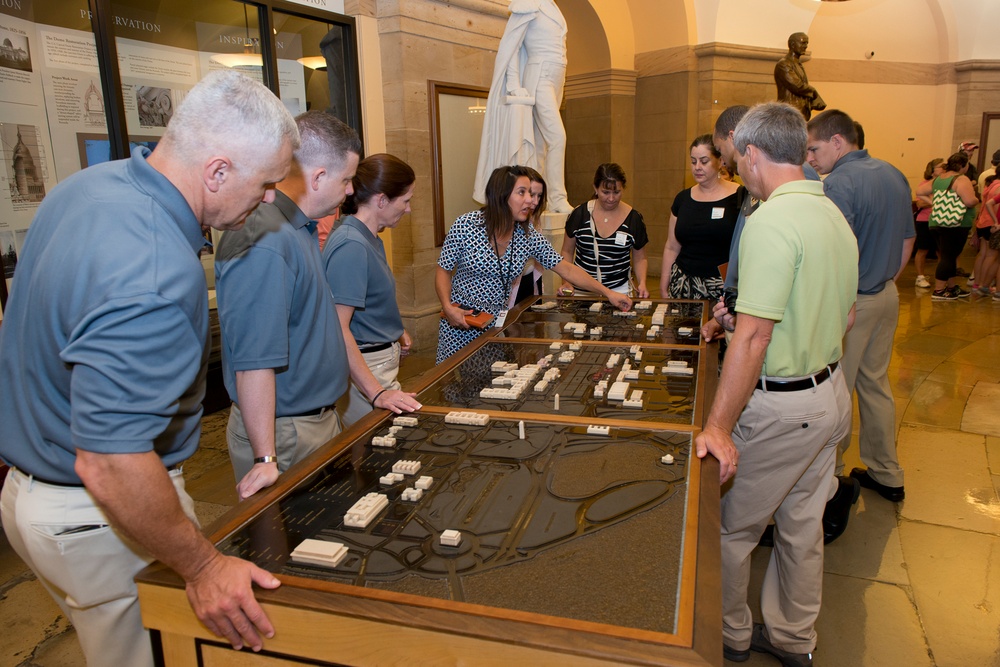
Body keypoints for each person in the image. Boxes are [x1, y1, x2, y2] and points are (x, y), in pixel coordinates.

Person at [0, 70, 297, 666]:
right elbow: (110, 462)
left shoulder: (87, 188)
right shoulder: (159, 271)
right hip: (96, 514)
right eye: (265, 183)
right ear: (217, 171)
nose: (269, 199)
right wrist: (203, 565)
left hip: (29, 494)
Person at [695, 102, 858, 667]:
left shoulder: (769, 221)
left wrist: (717, 425)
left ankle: (731, 636)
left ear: (756, 155)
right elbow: (843, 314)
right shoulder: (831, 212)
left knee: (729, 532)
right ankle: (793, 639)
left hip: (785, 407)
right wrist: (751, 322)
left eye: (740, 162)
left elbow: (755, 339)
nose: (741, 172)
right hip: (832, 394)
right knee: (800, 528)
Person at [214, 110, 358, 501]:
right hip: (285, 433)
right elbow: (255, 359)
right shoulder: (265, 236)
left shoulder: (300, 228)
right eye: (346, 179)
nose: (349, 191)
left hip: (312, 421)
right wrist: (265, 456)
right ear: (318, 177)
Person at [806, 109, 915, 503]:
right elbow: (907, 240)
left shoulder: (838, 184)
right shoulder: (892, 173)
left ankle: (830, 479)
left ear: (838, 141)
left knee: (838, 389)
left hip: (853, 304)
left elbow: (836, 254)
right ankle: (887, 472)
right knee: (876, 384)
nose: (811, 159)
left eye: (814, 149)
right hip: (887, 295)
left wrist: (850, 298)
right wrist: (883, 280)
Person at [437, 165, 632, 363]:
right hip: (459, 323)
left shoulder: (527, 235)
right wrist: (447, 306)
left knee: (487, 385)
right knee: (452, 388)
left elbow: (565, 268)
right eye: (522, 193)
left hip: (495, 327)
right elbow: (443, 270)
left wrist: (608, 293)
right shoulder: (466, 225)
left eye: (530, 193)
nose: (531, 201)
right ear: (501, 195)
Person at [324, 153, 423, 428]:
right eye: (405, 200)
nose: (408, 209)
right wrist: (376, 392)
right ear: (381, 200)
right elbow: (338, 326)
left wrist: (393, 330)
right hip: (367, 371)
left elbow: (368, 299)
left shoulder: (369, 237)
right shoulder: (351, 245)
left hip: (378, 362)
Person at [473, 0, 571, 213]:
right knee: (557, 138)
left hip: (556, 78)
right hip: (539, 76)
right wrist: (514, 84)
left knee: (540, 146)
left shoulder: (553, 7)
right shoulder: (527, 3)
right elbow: (512, 47)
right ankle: (557, 198)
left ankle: (536, 198)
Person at [660, 135, 740, 301]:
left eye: (704, 161)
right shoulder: (682, 199)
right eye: (693, 161)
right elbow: (672, 246)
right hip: (682, 283)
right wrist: (664, 283)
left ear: (720, 161)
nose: (697, 167)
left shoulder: (739, 196)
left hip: (721, 287)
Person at [559, 163, 650, 298]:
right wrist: (566, 281)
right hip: (582, 291)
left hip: (619, 291)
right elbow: (567, 251)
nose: (611, 198)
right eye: (605, 192)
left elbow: (640, 258)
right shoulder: (579, 215)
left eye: (616, 192)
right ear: (595, 188)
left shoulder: (633, 219)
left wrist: (642, 282)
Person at [915, 151, 979, 300]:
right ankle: (939, 290)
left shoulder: (939, 179)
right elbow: (969, 201)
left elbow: (920, 192)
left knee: (947, 255)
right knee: (948, 257)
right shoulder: (961, 179)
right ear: (963, 166)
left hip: (937, 222)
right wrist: (976, 199)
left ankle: (951, 287)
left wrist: (935, 203)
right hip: (955, 224)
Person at [774, 32, 826, 120]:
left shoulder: (797, 64)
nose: (806, 46)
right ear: (792, 44)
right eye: (803, 43)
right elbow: (797, 86)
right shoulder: (784, 64)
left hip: (800, 112)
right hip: (789, 113)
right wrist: (813, 92)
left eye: (807, 43)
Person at [913, 158, 945, 288]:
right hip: (925, 220)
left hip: (940, 221)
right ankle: (920, 277)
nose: (943, 168)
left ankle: (941, 276)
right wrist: (938, 201)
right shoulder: (925, 185)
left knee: (941, 251)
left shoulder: (945, 184)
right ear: (932, 170)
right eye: (940, 166)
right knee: (923, 249)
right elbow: (920, 203)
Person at [972, 174, 1000, 294]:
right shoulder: (998, 186)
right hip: (991, 223)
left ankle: (977, 283)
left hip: (982, 221)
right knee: (992, 257)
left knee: (982, 253)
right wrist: (996, 221)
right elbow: (996, 206)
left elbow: (986, 203)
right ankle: (984, 284)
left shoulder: (990, 184)